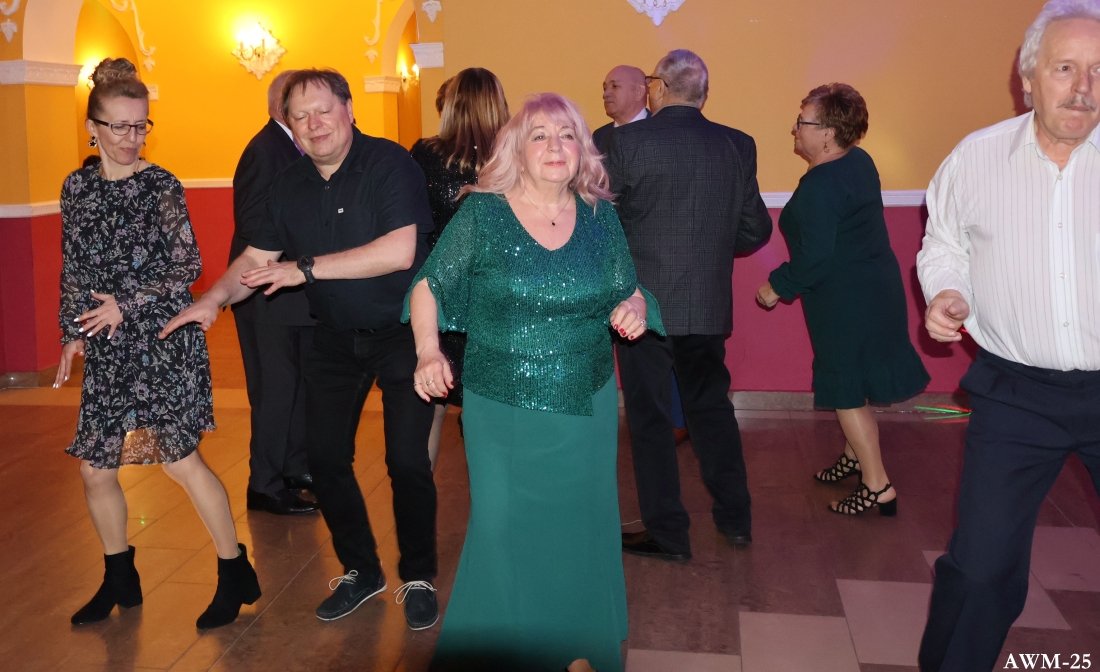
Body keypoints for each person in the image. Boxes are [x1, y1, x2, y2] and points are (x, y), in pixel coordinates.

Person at [161, 68, 440, 630]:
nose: (314, 124)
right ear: (286, 122)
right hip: (332, 336)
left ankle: (418, 575)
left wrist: (304, 268)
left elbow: (398, 251)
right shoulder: (288, 183)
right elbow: (256, 257)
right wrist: (214, 298)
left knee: (408, 461)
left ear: (349, 109)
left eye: (323, 110)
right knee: (325, 461)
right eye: (300, 115)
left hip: (401, 332)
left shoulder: (389, 163)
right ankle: (362, 570)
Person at [406, 92, 662, 672]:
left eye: (567, 135)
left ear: (583, 151)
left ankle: (575, 648)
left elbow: (628, 286)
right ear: (517, 150)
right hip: (501, 403)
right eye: (540, 135)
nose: (554, 146)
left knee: (579, 526)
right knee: (501, 528)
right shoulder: (484, 214)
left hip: (586, 399)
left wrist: (634, 307)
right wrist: (427, 351)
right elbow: (429, 285)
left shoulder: (599, 216)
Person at [916, 1, 1100, 669]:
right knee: (981, 568)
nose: (1084, 87)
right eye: (1065, 68)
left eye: (1099, 70)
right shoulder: (977, 157)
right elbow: (944, 243)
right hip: (1016, 394)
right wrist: (946, 292)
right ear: (1028, 79)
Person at [56, 57, 260, 630]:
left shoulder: (159, 186)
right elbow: (74, 267)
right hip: (109, 344)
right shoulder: (77, 188)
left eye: (141, 125)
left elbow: (186, 266)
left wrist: (126, 303)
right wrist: (72, 331)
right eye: (119, 126)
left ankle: (233, 569)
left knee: (179, 460)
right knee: (96, 470)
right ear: (92, 128)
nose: (131, 138)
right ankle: (120, 576)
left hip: (163, 340)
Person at [609, 49, 772, 562]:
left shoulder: (626, 142)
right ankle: (736, 520)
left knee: (650, 419)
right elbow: (756, 229)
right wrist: (712, 246)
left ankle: (668, 534)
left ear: (658, 88)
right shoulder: (737, 144)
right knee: (711, 411)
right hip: (706, 303)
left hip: (641, 308)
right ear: (703, 94)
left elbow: (603, 223)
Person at [756, 83, 929, 516]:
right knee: (856, 381)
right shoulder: (858, 161)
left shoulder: (822, 184)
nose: (795, 128)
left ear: (828, 133)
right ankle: (855, 456)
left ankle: (877, 485)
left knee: (847, 390)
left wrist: (776, 286)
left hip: (845, 302)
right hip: (873, 290)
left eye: (803, 121)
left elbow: (815, 259)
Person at [409, 67, 509, 469]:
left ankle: (421, 497)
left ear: (451, 105)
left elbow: (413, 225)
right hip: (497, 296)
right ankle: (495, 492)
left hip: (441, 293)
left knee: (432, 404)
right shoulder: (514, 156)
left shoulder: (425, 154)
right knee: (492, 407)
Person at [230, 69, 319, 517]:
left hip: (292, 293)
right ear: (279, 107)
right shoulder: (264, 150)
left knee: (299, 386)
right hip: (265, 293)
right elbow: (252, 224)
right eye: (300, 104)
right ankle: (263, 485)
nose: (310, 115)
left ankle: (294, 468)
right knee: (274, 392)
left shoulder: (295, 146)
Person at [592, 64, 688, 446]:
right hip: (608, 259)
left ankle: (676, 420)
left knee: (665, 341)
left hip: (659, 262)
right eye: (604, 86)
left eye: (614, 85)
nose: (606, 92)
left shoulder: (664, 134)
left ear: (640, 91)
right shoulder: (596, 139)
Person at [592, 65, 649, 154]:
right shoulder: (599, 137)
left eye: (615, 86)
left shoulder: (661, 132)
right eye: (605, 88)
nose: (605, 94)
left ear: (638, 92)